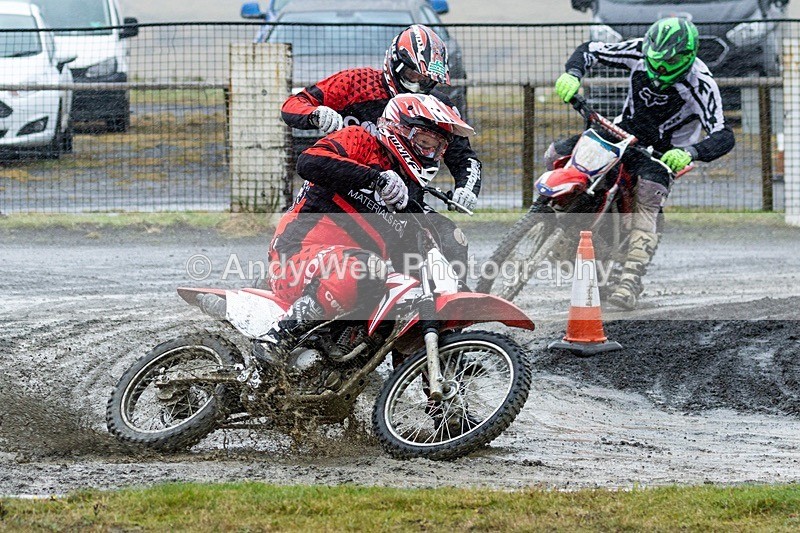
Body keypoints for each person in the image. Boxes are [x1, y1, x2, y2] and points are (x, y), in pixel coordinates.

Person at [263, 93, 475, 358]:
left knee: (414, 289)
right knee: (367, 267)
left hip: (354, 276)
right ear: (400, 128)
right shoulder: (360, 140)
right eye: (423, 142)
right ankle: (276, 339)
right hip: (295, 257)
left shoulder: (410, 193)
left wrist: (446, 293)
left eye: (437, 148)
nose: (429, 154)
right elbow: (308, 162)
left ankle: (441, 378)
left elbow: (412, 255)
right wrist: (375, 179)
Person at [549, 17, 735, 310]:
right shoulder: (637, 51)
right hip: (625, 131)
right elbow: (591, 49)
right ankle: (556, 220)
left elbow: (724, 133)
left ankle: (631, 277)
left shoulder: (701, 82)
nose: (658, 69)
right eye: (654, 59)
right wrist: (573, 73)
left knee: (648, 195)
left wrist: (691, 152)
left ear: (686, 57)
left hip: (664, 152)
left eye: (667, 62)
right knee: (558, 152)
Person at [281, 24, 481, 269]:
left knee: (451, 240)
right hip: (344, 184)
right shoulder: (356, 83)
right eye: (411, 75)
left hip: (403, 199)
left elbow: (464, 157)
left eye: (426, 81)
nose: (417, 85)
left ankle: (450, 304)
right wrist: (314, 114)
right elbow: (295, 103)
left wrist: (467, 188)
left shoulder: (437, 105)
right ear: (394, 63)